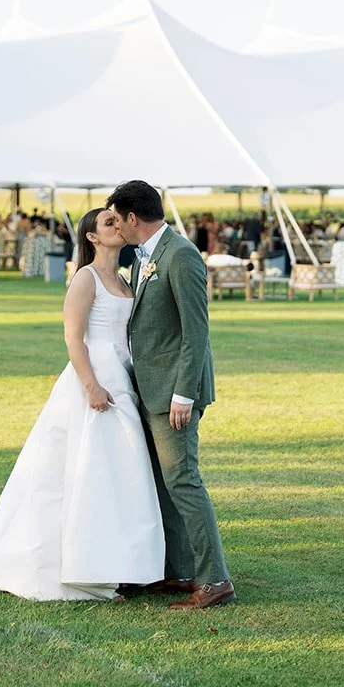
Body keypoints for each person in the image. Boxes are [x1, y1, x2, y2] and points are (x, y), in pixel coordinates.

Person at [0, 208, 163, 600]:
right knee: (90, 472)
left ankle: (123, 563)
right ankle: (85, 569)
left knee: (122, 473)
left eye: (117, 221)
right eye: (108, 223)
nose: (116, 226)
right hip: (96, 378)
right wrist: (91, 385)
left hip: (124, 375)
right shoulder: (85, 279)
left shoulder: (122, 278)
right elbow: (73, 338)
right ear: (92, 237)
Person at [106, 179, 233, 610]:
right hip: (151, 388)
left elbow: (196, 332)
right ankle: (179, 570)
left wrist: (184, 393)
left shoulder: (180, 256)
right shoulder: (146, 257)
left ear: (132, 218)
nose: (115, 227)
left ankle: (215, 580)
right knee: (164, 484)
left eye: (117, 219)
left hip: (175, 393)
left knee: (183, 481)